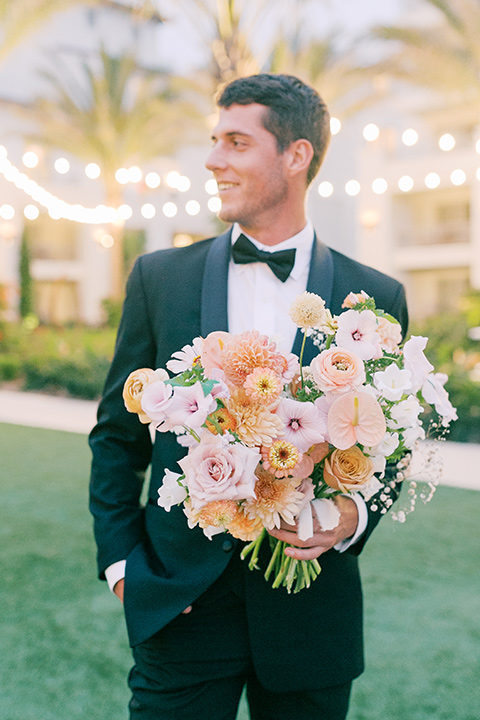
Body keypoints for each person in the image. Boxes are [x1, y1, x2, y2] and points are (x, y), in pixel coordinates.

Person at [89, 73, 408, 720]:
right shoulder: (160, 279)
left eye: (236, 142)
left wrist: (351, 519)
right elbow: (116, 437)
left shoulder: (376, 294)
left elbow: (391, 441)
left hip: (311, 611)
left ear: (297, 156)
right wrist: (124, 568)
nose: (213, 160)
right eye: (214, 141)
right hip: (181, 603)